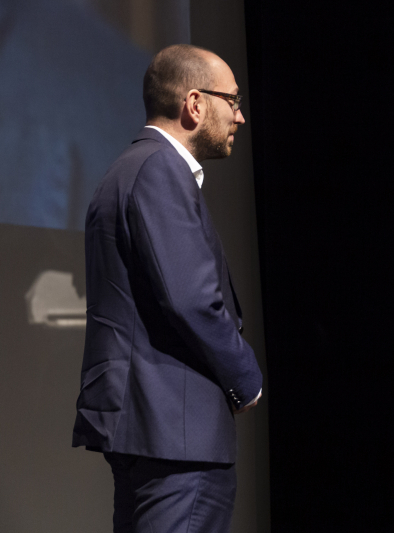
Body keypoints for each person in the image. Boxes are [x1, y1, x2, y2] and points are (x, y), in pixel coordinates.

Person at [72, 44, 262, 533]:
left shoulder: (126, 169)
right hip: (177, 431)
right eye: (233, 101)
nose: (239, 117)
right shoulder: (159, 170)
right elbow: (192, 299)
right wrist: (247, 378)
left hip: (152, 427)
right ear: (195, 104)